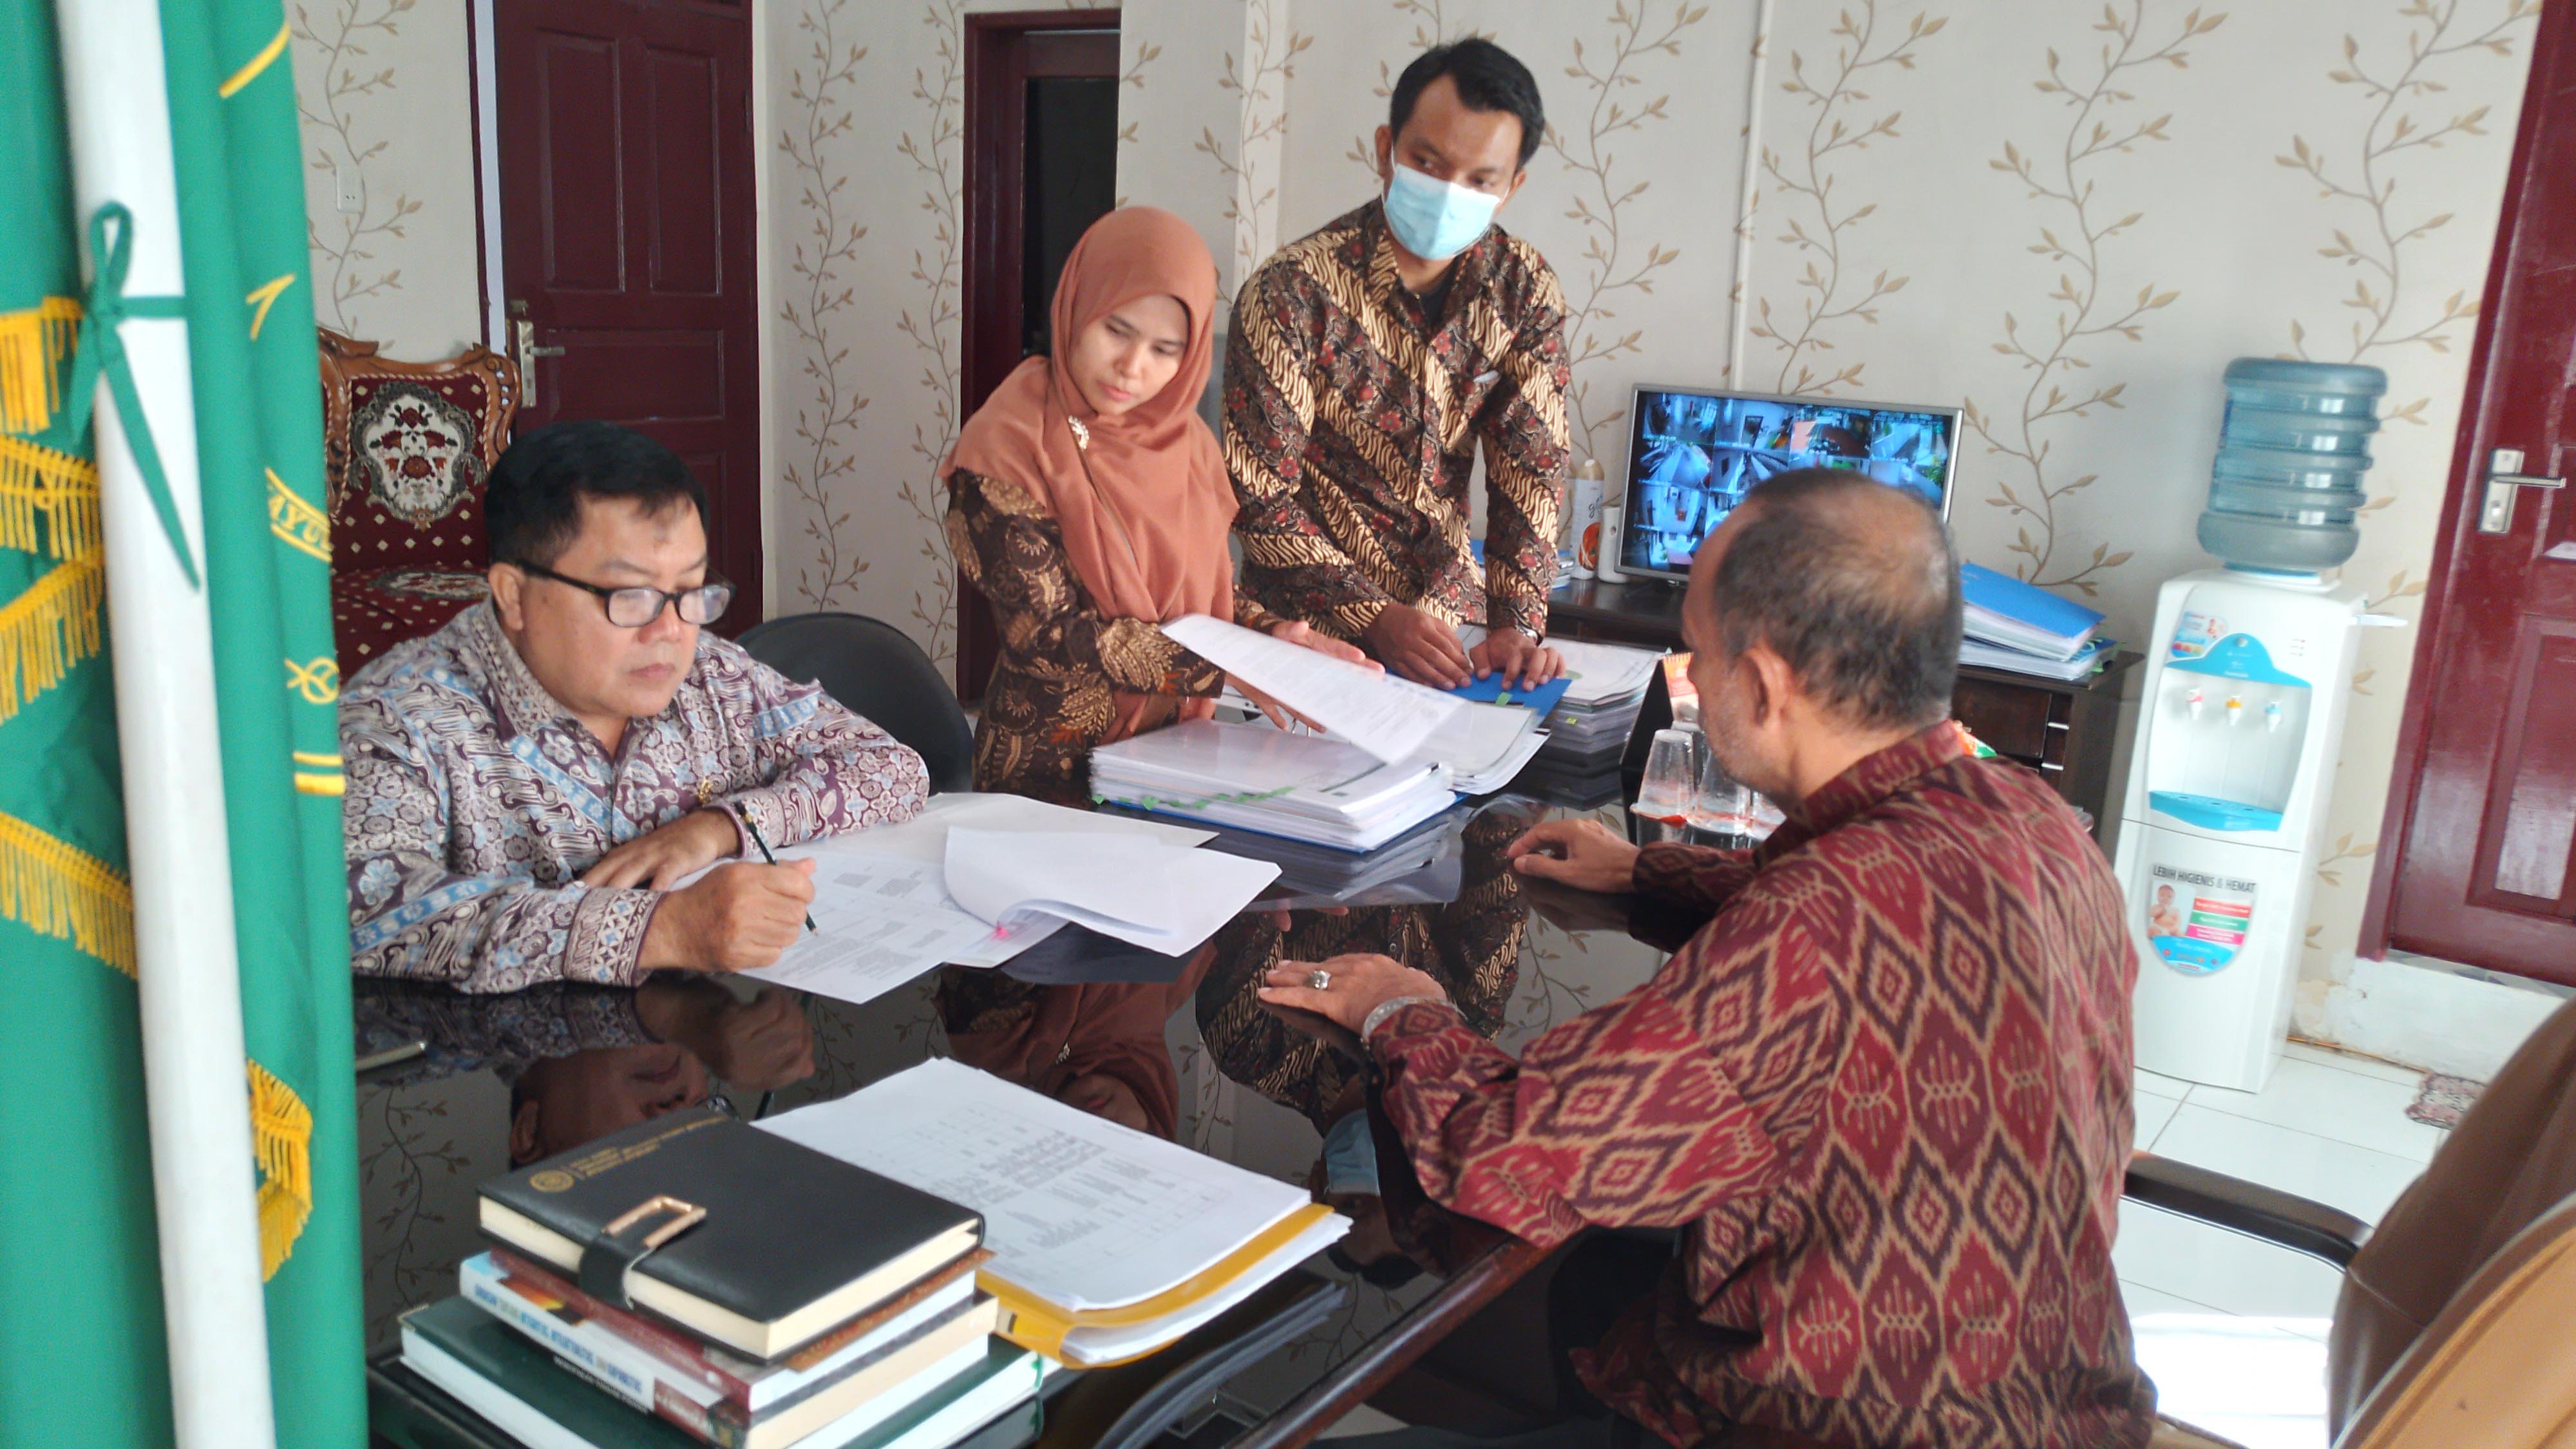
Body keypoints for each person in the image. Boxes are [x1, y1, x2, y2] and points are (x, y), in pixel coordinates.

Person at [1260, 468, 2153, 1448]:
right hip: (2050, 1395)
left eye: (1696, 650)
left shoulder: (1807, 935)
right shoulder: (2031, 817)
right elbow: (1899, 928)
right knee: (1603, 1281)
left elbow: (1501, 1155)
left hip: (1826, 1425)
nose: (1689, 671)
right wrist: (1647, 874)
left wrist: (1400, 1007)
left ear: (1762, 685)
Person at [342, 421, 929, 991]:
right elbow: (357, 908)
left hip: (707, 1032)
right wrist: (660, 931)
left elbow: (891, 767)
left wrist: (722, 828)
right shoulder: (399, 717)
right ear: (514, 596)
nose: (670, 631)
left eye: (690, 591)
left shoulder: (712, 677)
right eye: (631, 596)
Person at [946, 206, 1365, 804]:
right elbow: (1050, 636)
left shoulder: (1184, 442)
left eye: (1166, 349)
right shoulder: (1007, 447)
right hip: (1045, 780)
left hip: (1172, 762)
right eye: (1116, 330)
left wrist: (1271, 635)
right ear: (1077, 306)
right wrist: (1226, 666)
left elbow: (1197, 590)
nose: (1133, 368)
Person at [1226, 37, 1571, 690]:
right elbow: (1257, 495)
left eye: (1480, 180)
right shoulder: (1293, 290)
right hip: (1308, 639)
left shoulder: (1522, 289)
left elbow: (1531, 469)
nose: (1449, 193)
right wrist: (1373, 616)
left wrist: (1516, 627)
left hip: (1451, 636)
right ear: (1386, 149)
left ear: (1511, 188)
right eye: (1428, 162)